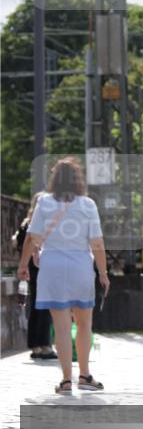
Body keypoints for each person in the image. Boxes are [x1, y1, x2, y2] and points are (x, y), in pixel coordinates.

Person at [18, 157, 111, 394]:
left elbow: (31, 237)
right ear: (78, 179)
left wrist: (23, 265)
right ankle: (85, 375)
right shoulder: (88, 204)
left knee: (60, 327)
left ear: (55, 179)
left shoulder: (45, 203)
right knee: (84, 324)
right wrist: (103, 272)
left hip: (52, 268)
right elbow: (97, 242)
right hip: (81, 265)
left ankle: (66, 380)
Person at [11, 192, 55, 359]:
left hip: (31, 267)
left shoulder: (26, 224)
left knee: (37, 307)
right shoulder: (41, 224)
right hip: (39, 266)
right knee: (43, 307)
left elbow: (20, 245)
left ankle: (36, 346)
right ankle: (44, 346)